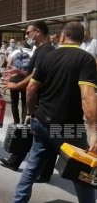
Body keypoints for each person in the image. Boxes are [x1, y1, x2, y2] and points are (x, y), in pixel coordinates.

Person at [13, 21, 97, 203]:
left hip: (42, 121)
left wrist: (30, 113)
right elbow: (87, 96)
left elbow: (31, 89)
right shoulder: (86, 59)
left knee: (32, 167)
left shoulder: (47, 57)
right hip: (68, 128)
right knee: (82, 170)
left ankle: (18, 200)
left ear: (62, 36)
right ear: (82, 39)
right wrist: (94, 130)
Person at [0, 20, 55, 174]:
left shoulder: (46, 51)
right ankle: (16, 162)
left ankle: (39, 170)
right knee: (31, 133)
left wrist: (16, 86)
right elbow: (30, 73)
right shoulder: (39, 50)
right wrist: (18, 72)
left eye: (29, 32)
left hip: (40, 99)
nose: (27, 35)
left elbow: (36, 77)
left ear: (38, 31)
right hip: (37, 99)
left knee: (39, 135)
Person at [5, 41, 32, 124]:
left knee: (14, 102)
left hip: (14, 78)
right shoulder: (32, 53)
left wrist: (7, 78)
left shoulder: (15, 52)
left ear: (20, 45)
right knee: (24, 101)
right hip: (25, 79)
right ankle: (23, 121)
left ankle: (16, 121)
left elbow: (9, 65)